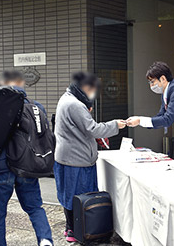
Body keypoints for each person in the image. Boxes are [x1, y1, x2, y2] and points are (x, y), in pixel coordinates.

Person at [0, 70, 53, 246]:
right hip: (26, 166)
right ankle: (46, 241)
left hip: (1, 168)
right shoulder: (35, 106)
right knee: (35, 207)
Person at [53, 71, 126, 243]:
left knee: (68, 195)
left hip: (66, 157)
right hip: (76, 160)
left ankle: (70, 229)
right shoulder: (75, 104)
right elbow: (92, 129)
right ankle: (78, 231)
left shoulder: (67, 98)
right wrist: (116, 125)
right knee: (79, 197)